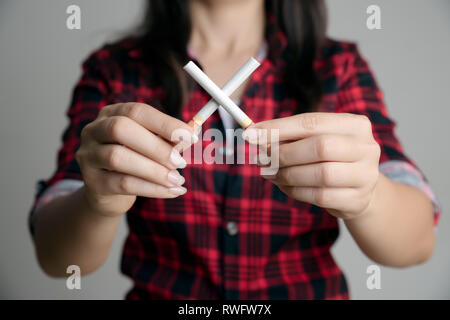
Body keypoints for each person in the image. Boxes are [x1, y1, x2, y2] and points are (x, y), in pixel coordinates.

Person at [29, 0, 440, 299]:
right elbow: (60, 261)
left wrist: (368, 197)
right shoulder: (116, 69)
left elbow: (417, 243)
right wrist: (98, 200)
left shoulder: (337, 66)